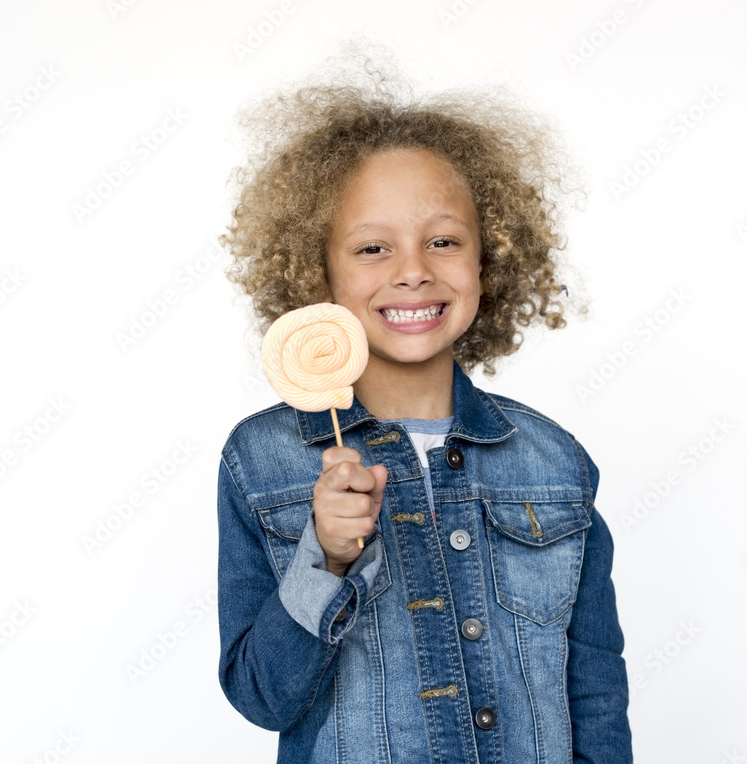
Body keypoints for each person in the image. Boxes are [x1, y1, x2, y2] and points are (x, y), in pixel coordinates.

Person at [217, 48, 632, 763]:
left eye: (443, 240)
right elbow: (261, 697)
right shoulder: (262, 459)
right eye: (373, 247)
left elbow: (594, 695)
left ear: (487, 259)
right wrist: (328, 558)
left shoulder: (554, 462)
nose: (412, 270)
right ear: (318, 271)